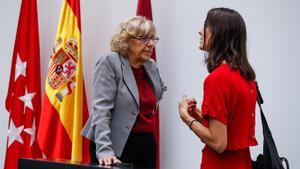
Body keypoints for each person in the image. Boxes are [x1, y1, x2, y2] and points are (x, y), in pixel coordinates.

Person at [81, 16, 166, 168]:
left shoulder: (151, 66)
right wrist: (105, 150)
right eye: (144, 38)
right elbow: (101, 110)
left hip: (146, 145)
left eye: (153, 39)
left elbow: (157, 93)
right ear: (126, 40)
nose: (151, 44)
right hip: (114, 146)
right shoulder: (110, 62)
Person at [178, 7, 257, 169]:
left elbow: (219, 142)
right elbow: (231, 130)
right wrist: (199, 116)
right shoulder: (246, 76)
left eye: (205, 26)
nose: (200, 32)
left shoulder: (217, 79)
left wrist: (186, 117)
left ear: (218, 33)